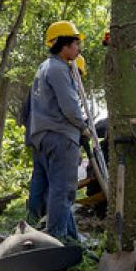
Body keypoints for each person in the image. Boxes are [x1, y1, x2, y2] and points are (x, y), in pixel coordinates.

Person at [26, 21, 88, 241]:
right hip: (60, 136)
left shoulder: (44, 67)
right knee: (63, 191)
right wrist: (84, 127)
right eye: (76, 44)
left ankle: (70, 236)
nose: (78, 49)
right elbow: (70, 107)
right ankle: (56, 240)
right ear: (64, 45)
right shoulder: (60, 69)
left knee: (57, 191)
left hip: (43, 136)